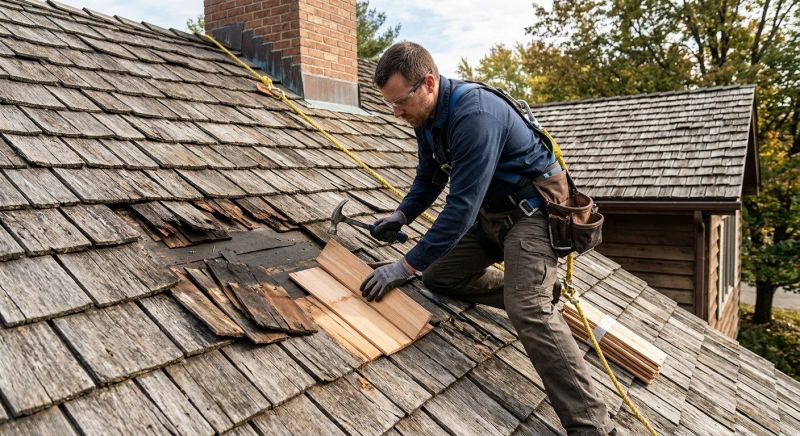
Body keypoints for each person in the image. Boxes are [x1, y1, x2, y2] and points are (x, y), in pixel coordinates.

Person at [359, 41, 611, 435]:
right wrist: (401, 214)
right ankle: (540, 286)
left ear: (429, 83)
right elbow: (429, 177)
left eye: (401, 101)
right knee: (436, 276)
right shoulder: (425, 118)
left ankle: (591, 424)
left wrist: (402, 267)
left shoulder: (475, 115)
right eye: (391, 104)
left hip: (533, 215)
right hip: (492, 216)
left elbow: (459, 210)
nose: (396, 113)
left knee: (528, 309)